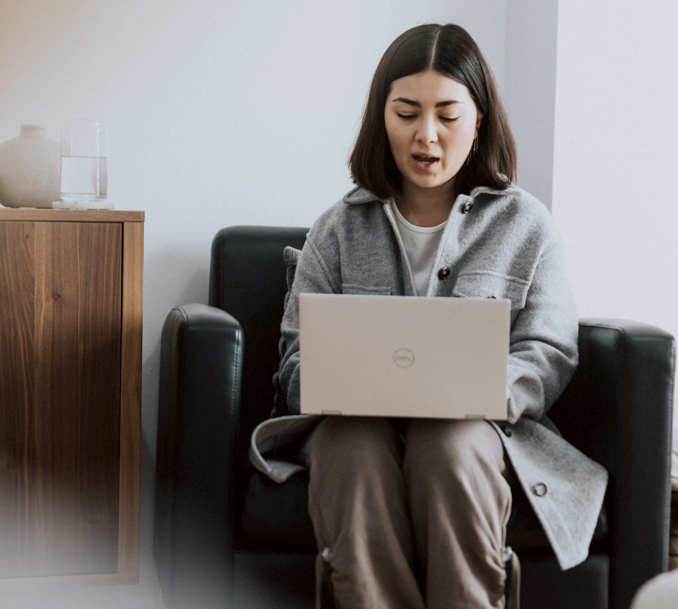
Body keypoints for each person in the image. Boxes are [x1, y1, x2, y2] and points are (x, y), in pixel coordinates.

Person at [249, 23, 608, 609]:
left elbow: (548, 351)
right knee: (350, 446)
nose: (427, 135)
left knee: (448, 443)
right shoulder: (335, 229)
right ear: (380, 117)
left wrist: (482, 390)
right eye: (406, 112)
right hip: (350, 426)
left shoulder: (527, 225)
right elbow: (294, 360)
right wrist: (328, 382)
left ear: (480, 119)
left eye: (447, 114)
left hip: (480, 428)